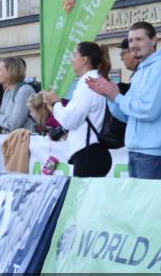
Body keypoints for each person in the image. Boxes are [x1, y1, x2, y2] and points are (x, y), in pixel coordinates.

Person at [87, 21, 161, 179]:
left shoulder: (159, 68)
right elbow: (126, 116)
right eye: (131, 40)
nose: (133, 45)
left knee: (147, 204)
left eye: (139, 39)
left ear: (154, 41)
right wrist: (109, 96)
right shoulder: (140, 71)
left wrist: (116, 96)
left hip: (152, 155)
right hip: (137, 152)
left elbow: (148, 110)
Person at [43, 42, 112, 177]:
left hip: (88, 153)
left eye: (75, 55)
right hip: (91, 152)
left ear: (84, 59)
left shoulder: (87, 83)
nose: (71, 60)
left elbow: (69, 121)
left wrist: (56, 102)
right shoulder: (94, 80)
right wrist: (55, 106)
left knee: (81, 197)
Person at [0, 57, 37, 133]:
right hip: (12, 141)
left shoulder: (24, 90)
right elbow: (5, 121)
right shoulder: (7, 91)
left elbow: (13, 125)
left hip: (25, 141)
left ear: (10, 71)